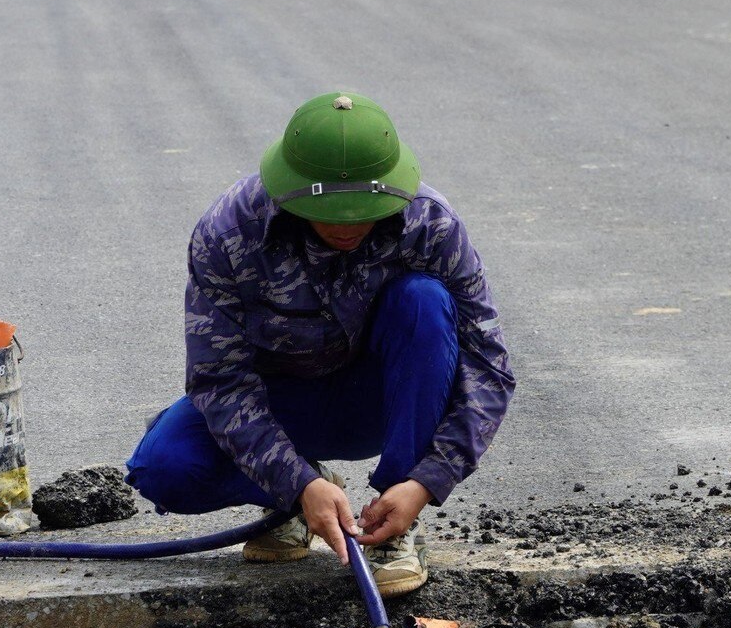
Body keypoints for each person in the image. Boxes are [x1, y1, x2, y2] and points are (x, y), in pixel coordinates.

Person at [125, 92, 514, 595]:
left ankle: (391, 522)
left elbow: (488, 366)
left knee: (423, 301)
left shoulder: (430, 224)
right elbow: (219, 381)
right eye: (330, 211)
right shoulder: (228, 233)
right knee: (164, 468)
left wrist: (425, 481)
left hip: (382, 403)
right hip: (279, 404)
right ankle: (304, 494)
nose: (347, 225)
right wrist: (296, 483)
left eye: (364, 211)